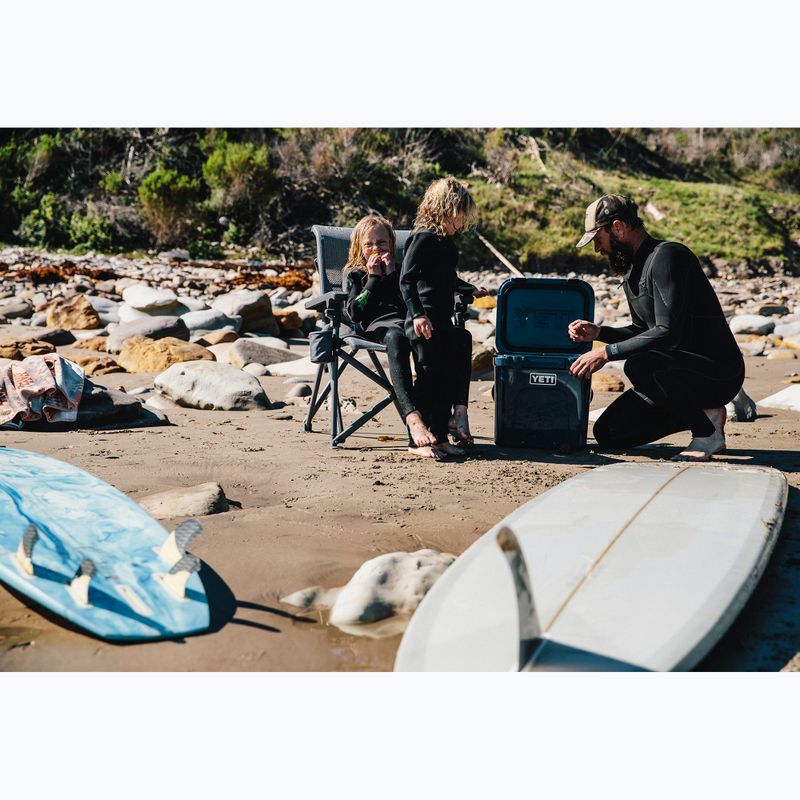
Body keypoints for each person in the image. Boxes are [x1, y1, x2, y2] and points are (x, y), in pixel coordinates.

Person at [567, 194, 744, 461]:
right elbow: (643, 330)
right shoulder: (632, 270)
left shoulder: (668, 257)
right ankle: (706, 414)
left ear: (618, 227)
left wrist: (606, 353)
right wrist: (600, 333)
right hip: (673, 374)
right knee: (610, 433)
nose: (597, 249)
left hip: (716, 373)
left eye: (598, 239)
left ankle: (707, 434)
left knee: (639, 365)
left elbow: (667, 332)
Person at [343, 213, 443, 459]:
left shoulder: (402, 273)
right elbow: (355, 312)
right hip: (377, 328)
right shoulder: (357, 274)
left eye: (382, 243)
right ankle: (413, 418)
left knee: (432, 340)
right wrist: (375, 279)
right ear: (359, 247)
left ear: (391, 245)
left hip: (405, 324)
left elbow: (412, 301)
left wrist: (394, 275)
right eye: (369, 244)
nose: (376, 248)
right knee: (397, 336)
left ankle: (433, 429)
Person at [399, 177, 485, 456]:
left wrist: (468, 288)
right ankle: (418, 442)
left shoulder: (446, 243)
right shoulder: (422, 237)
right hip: (423, 319)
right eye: (460, 215)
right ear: (444, 210)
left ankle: (440, 437)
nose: (462, 223)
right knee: (427, 376)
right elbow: (406, 281)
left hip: (442, 320)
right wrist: (417, 315)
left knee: (445, 375)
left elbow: (447, 278)